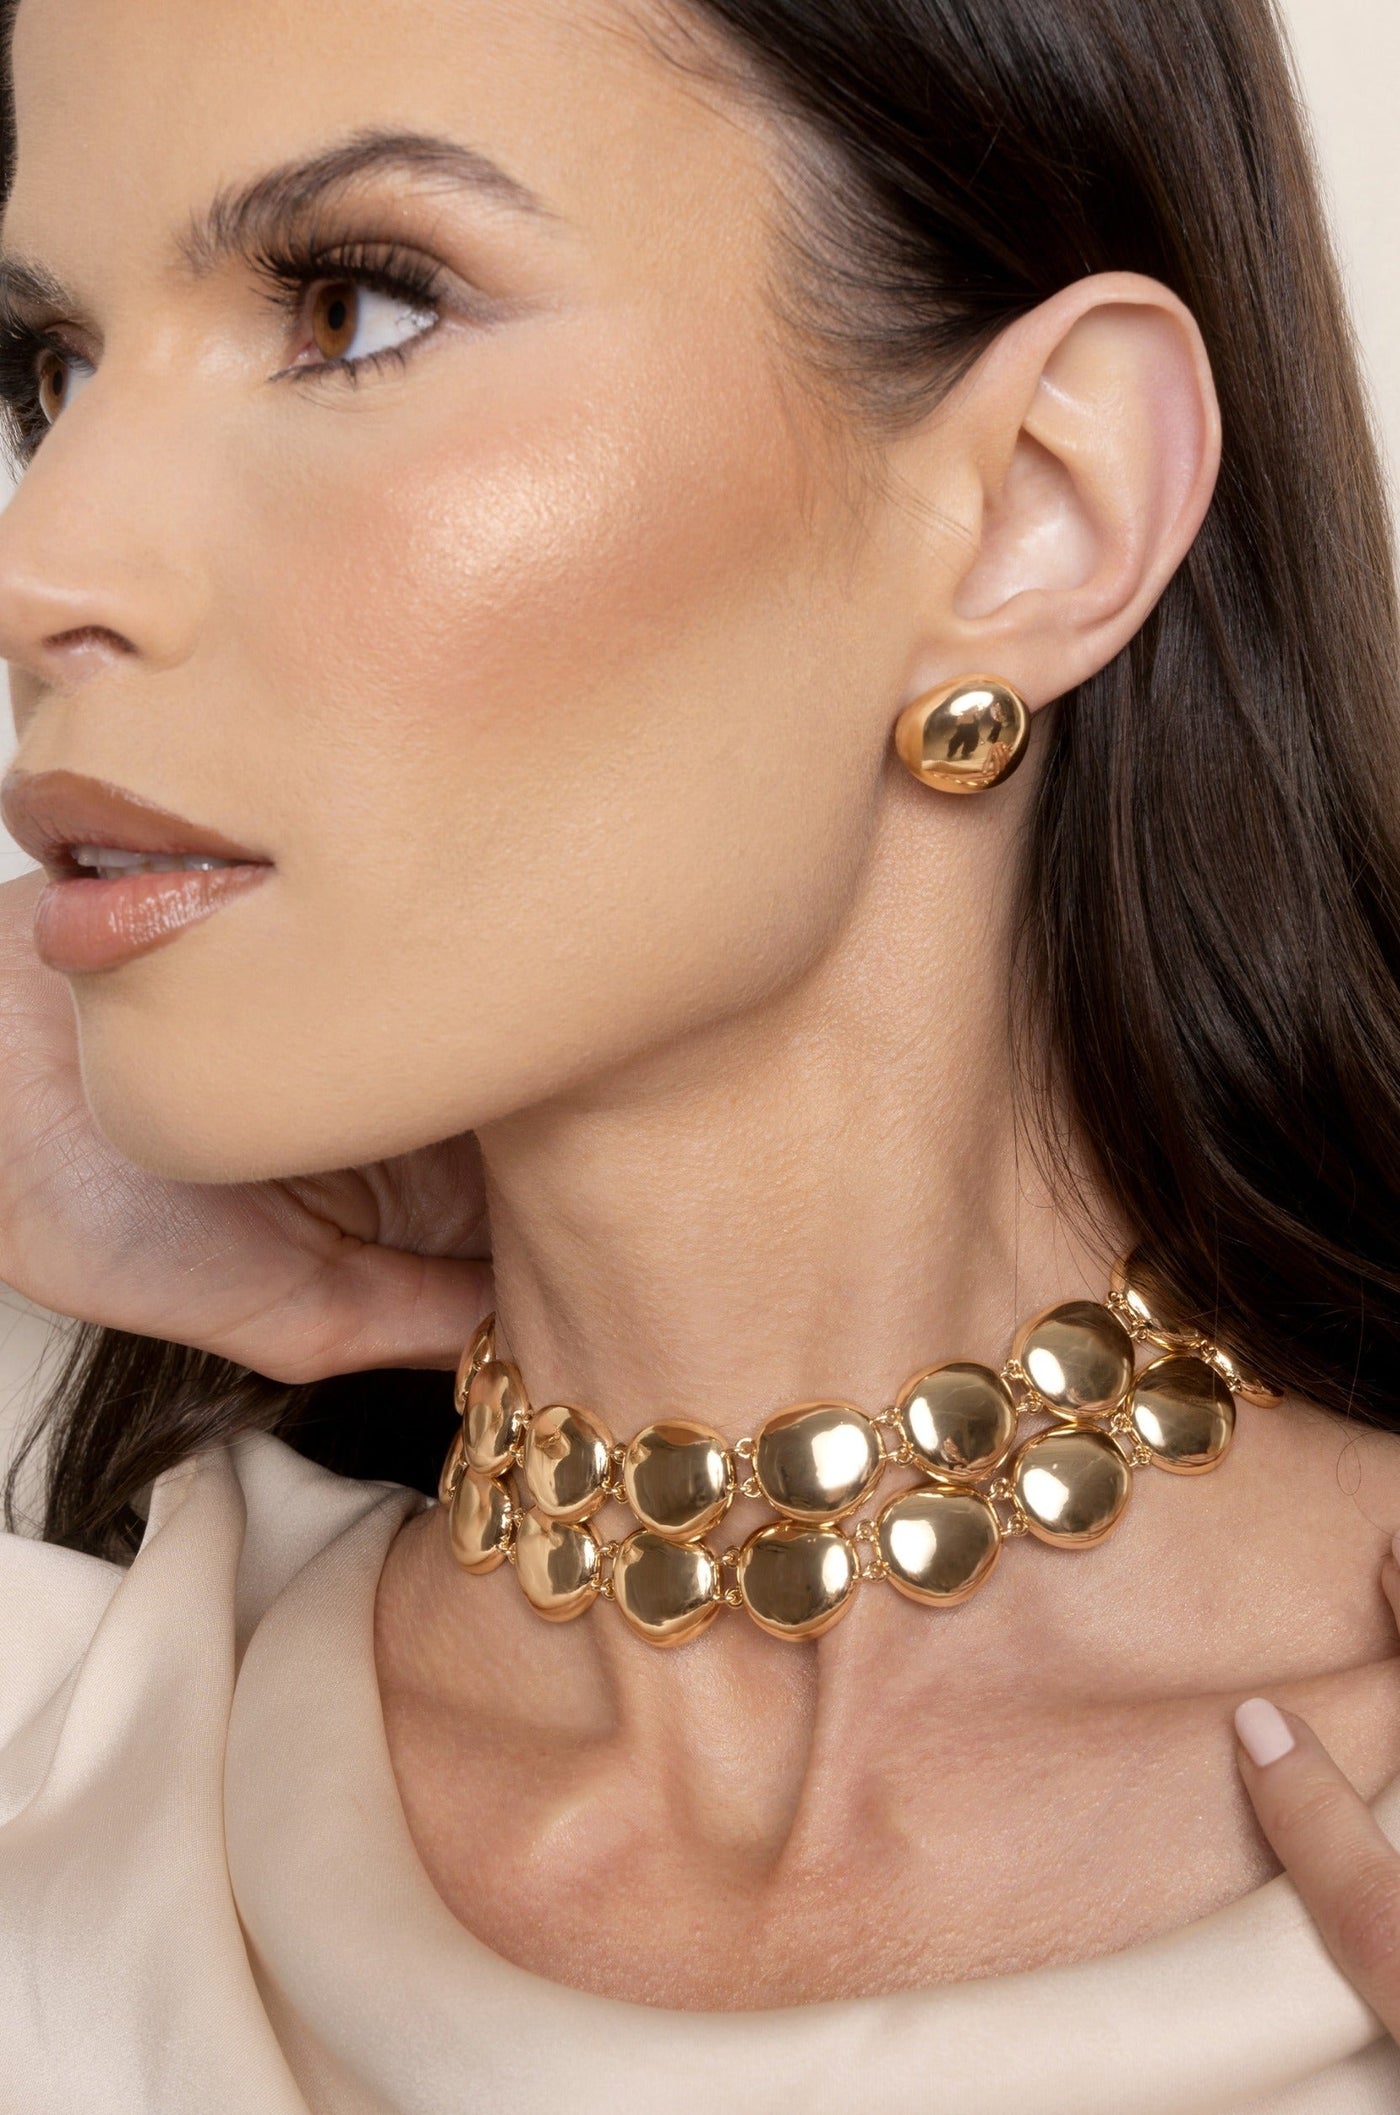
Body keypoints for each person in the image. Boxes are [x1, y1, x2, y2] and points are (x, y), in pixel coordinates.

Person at [1, 0, 1400, 2106]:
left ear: (1037, 504)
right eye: (46, 370)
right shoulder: (72, 1751)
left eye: (353, 306)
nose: (39, 567)